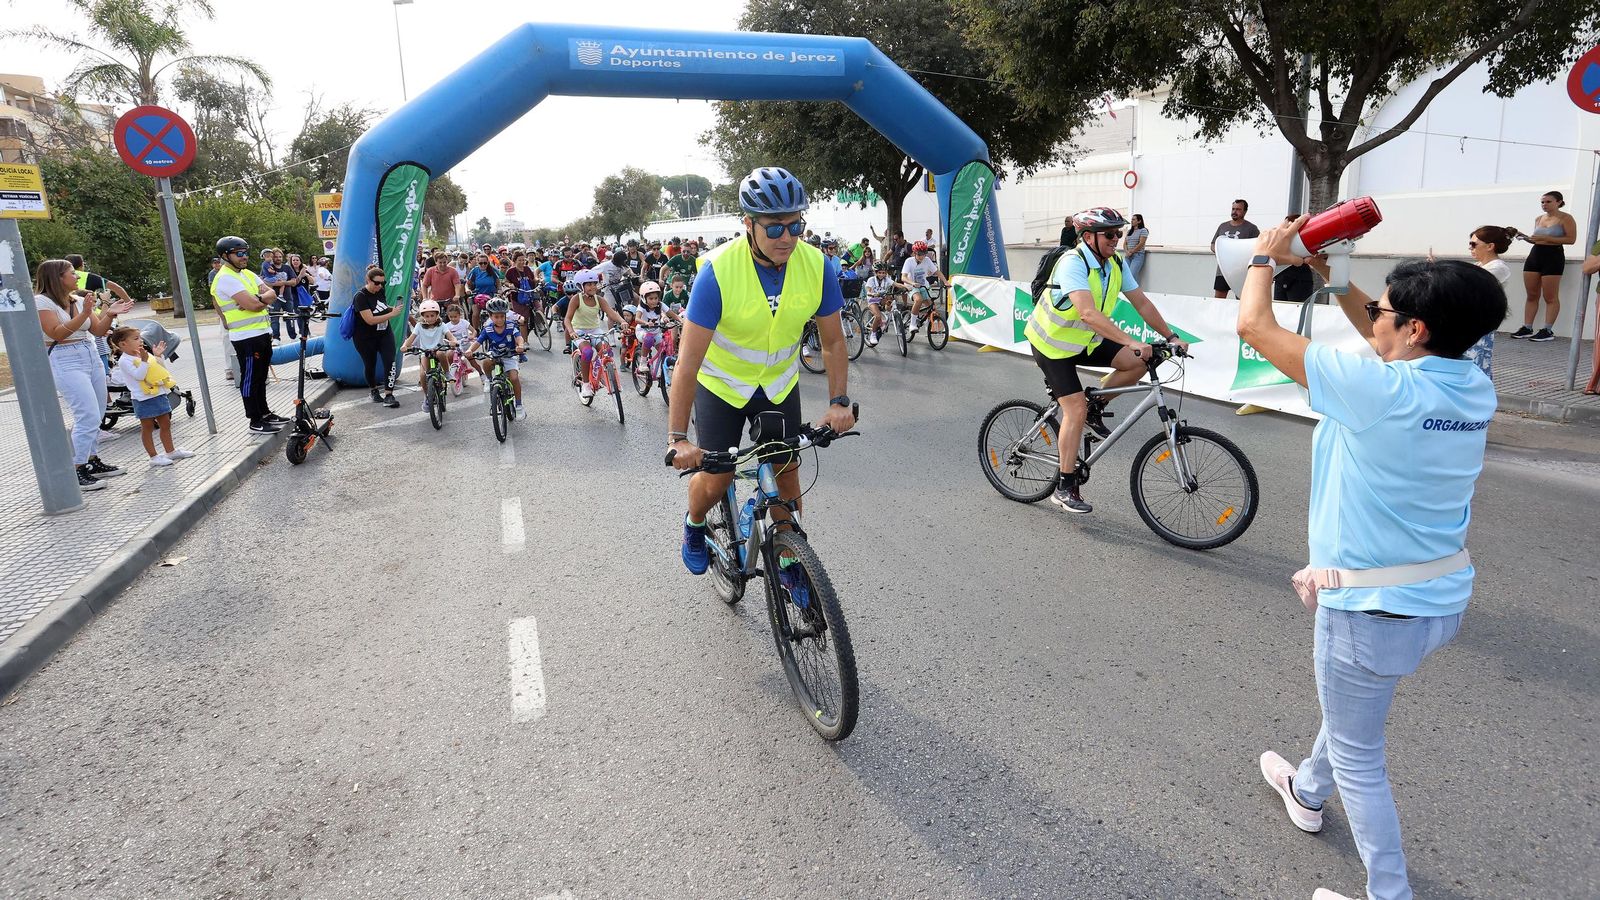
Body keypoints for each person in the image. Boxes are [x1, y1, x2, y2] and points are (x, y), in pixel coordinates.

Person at [1242, 217, 1504, 900]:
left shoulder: (1383, 393)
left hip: (1369, 611)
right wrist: (1339, 282)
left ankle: (1389, 895)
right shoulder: (1470, 382)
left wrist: (1265, 260)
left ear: (1415, 330)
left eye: (1387, 312)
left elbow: (1255, 329)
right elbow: (1384, 338)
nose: (1376, 320)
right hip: (1435, 601)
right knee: (1352, 709)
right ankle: (1305, 789)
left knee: (1361, 757)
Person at [666, 166, 855, 574]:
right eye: (774, 228)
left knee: (788, 478)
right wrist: (678, 438)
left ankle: (790, 566)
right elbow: (687, 363)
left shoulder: (817, 267)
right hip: (722, 387)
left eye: (795, 225)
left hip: (778, 384)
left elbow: (835, 342)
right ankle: (694, 524)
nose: (786, 237)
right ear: (748, 224)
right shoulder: (716, 274)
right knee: (717, 480)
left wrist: (838, 401)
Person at [1025, 207, 1188, 514]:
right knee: (1073, 409)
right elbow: (1087, 312)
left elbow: (1140, 301)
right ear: (1088, 237)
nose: (1117, 239)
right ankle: (1064, 487)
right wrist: (1132, 341)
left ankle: (1095, 407)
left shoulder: (1114, 263)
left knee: (1139, 363)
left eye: (1119, 233)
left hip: (1085, 339)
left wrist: (1170, 336)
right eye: (1110, 234)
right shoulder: (1072, 263)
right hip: (1052, 344)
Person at [34, 258, 133, 489]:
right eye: (72, 273)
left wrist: (109, 313)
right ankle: (77, 469)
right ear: (57, 278)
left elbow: (98, 330)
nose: (77, 276)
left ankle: (92, 460)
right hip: (64, 357)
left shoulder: (78, 300)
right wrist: (85, 312)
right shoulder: (41, 302)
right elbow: (57, 333)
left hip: (88, 352)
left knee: (98, 412)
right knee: (86, 414)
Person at [211, 236, 288, 434]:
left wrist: (260, 297)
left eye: (245, 252)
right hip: (246, 337)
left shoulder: (246, 274)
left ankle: (265, 413)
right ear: (225, 256)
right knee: (250, 378)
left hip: (261, 332)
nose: (244, 257)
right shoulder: (226, 277)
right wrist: (260, 300)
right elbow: (253, 305)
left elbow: (271, 293)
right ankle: (254, 419)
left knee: (261, 376)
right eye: (239, 254)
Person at [110, 326, 194, 467]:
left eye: (140, 337)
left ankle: (170, 451)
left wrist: (158, 356)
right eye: (136, 338)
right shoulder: (125, 360)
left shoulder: (143, 353)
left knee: (165, 423)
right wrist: (143, 360)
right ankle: (153, 456)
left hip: (158, 393)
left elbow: (158, 369)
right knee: (147, 427)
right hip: (143, 398)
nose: (140, 341)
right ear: (123, 344)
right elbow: (139, 375)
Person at [1510, 190, 1576, 342]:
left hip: (1553, 255)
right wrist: (1522, 235)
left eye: (1548, 202)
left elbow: (1571, 239)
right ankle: (1527, 327)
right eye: (1542, 202)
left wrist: (1546, 237)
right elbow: (1536, 240)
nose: (1544, 205)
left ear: (1558, 202)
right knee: (1532, 294)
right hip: (1535, 255)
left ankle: (1547, 329)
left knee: (1550, 296)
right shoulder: (1539, 218)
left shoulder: (1566, 218)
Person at [562, 268, 625, 400]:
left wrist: (622, 321)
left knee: (606, 349)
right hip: (579, 330)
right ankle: (585, 384)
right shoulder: (576, 299)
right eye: (589, 284)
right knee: (587, 352)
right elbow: (567, 319)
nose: (593, 287)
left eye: (594, 284)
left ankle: (600, 371)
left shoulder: (599, 299)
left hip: (595, 330)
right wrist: (572, 331)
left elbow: (611, 313)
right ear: (581, 286)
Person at [65, 253, 133, 374]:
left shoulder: (59, 280)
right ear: (81, 266)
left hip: (72, 320)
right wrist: (128, 302)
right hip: (94, 317)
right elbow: (116, 287)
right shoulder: (87, 277)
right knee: (103, 359)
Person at [351, 264, 404, 408]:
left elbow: (381, 307)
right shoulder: (360, 297)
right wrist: (391, 314)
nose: (379, 286)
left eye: (382, 283)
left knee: (390, 361)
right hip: (365, 337)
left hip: (384, 333)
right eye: (376, 283)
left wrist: (393, 308)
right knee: (370, 364)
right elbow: (370, 320)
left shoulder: (380, 291)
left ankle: (389, 395)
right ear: (368, 280)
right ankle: (374, 390)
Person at [1467, 225, 1516, 378]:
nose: (1470, 248)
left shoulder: (1499, 268)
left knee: (1477, 363)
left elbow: (1470, 283)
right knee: (1471, 363)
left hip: (1480, 321)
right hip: (1469, 321)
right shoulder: (1479, 266)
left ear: (1490, 246)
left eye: (1474, 244)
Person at [467, 297, 529, 417]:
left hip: (509, 354)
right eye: (496, 317)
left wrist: (520, 345)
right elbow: (478, 342)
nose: (500, 319)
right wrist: (470, 350)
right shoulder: (488, 328)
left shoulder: (511, 326)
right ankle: (489, 380)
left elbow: (518, 337)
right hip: (494, 354)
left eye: (502, 316)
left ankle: (519, 406)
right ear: (490, 316)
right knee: (486, 362)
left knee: (514, 378)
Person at [399, 300, 458, 413]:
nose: (430, 318)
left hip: (438, 350)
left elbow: (450, 336)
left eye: (432, 315)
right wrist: (405, 346)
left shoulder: (442, 325)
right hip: (425, 352)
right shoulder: (419, 326)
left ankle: (447, 373)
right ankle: (427, 397)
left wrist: (453, 341)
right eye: (427, 316)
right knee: (422, 375)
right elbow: (411, 338)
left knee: (441, 353)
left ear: (437, 315)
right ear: (422, 316)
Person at [898, 240, 948, 337]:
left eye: (924, 253)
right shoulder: (909, 261)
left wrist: (945, 282)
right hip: (911, 285)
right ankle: (912, 324)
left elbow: (937, 272)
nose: (923, 256)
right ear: (915, 253)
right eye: (920, 254)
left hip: (924, 286)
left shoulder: (927, 260)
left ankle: (928, 326)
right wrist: (912, 283)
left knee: (932, 308)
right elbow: (903, 277)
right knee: (919, 299)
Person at [1211, 199, 1259, 298]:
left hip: (1241, 272)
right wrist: (1221, 254)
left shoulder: (1251, 228)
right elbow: (1213, 244)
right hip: (1223, 270)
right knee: (1219, 301)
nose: (1234, 212)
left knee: (1242, 300)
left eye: (1238, 209)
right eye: (1233, 209)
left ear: (1245, 211)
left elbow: (1258, 247)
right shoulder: (1223, 226)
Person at [862, 260, 903, 347]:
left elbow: (896, 284)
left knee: (891, 300)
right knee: (877, 316)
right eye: (879, 272)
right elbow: (868, 291)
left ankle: (886, 319)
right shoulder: (871, 280)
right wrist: (872, 294)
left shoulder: (886, 279)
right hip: (872, 300)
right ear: (875, 272)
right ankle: (873, 334)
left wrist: (907, 287)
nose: (882, 274)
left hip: (881, 299)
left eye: (883, 273)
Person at [1123, 214, 1149, 280]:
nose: (1132, 221)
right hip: (1128, 256)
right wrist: (1127, 252)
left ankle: (1135, 290)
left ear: (1139, 221)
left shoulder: (1143, 230)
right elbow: (1125, 244)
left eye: (1134, 219)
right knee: (1125, 275)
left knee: (1132, 275)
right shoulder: (1129, 231)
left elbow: (1141, 244)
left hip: (1137, 256)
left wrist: (1131, 251)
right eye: (1132, 219)